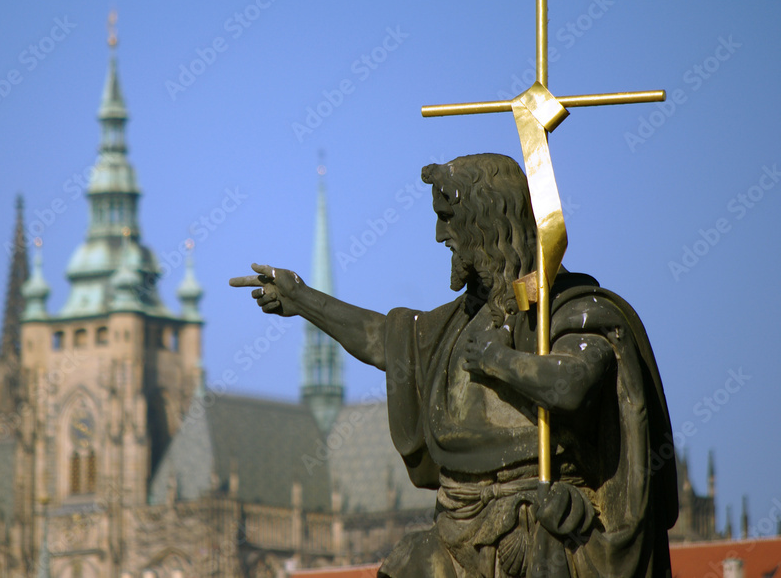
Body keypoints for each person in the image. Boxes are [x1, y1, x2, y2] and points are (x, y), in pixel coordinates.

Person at [230, 154, 677, 578]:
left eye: (448, 219)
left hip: (542, 531)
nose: (440, 236)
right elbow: (384, 340)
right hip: (458, 528)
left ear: (486, 222)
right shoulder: (461, 321)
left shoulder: (568, 309)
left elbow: (574, 384)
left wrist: (496, 361)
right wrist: (302, 298)